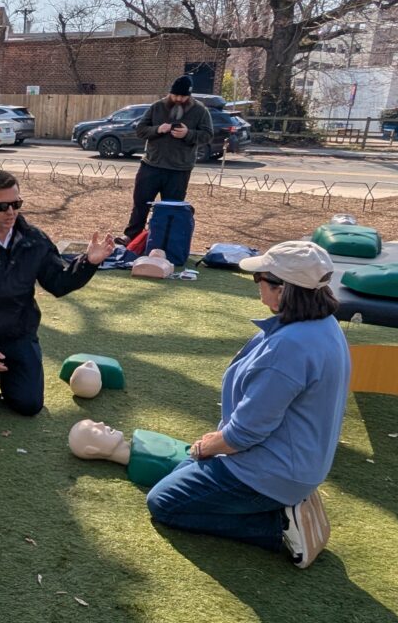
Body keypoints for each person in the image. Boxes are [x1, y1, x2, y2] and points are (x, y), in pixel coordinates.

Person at [146, 241, 350, 569]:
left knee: (164, 502)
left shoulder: (288, 348)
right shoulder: (322, 325)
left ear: (283, 290)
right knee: (180, 470)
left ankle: (278, 526)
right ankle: (278, 506)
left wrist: (206, 446)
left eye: (261, 280)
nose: (257, 287)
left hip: (272, 471)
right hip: (295, 461)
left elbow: (244, 434)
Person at [0, 170, 115, 416]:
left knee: (29, 405)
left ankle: (4, 375)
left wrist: (89, 262)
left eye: (16, 204)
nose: (11, 211)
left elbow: (58, 283)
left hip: (18, 334)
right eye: (2, 206)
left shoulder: (35, 241)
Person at [119, 75, 213, 244]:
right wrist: (157, 130)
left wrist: (188, 134)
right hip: (151, 165)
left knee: (171, 208)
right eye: (175, 95)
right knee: (141, 203)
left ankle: (165, 241)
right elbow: (140, 130)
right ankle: (131, 236)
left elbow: (207, 135)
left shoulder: (200, 111)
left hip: (179, 169)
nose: (178, 99)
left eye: (183, 97)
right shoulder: (157, 107)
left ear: (189, 96)